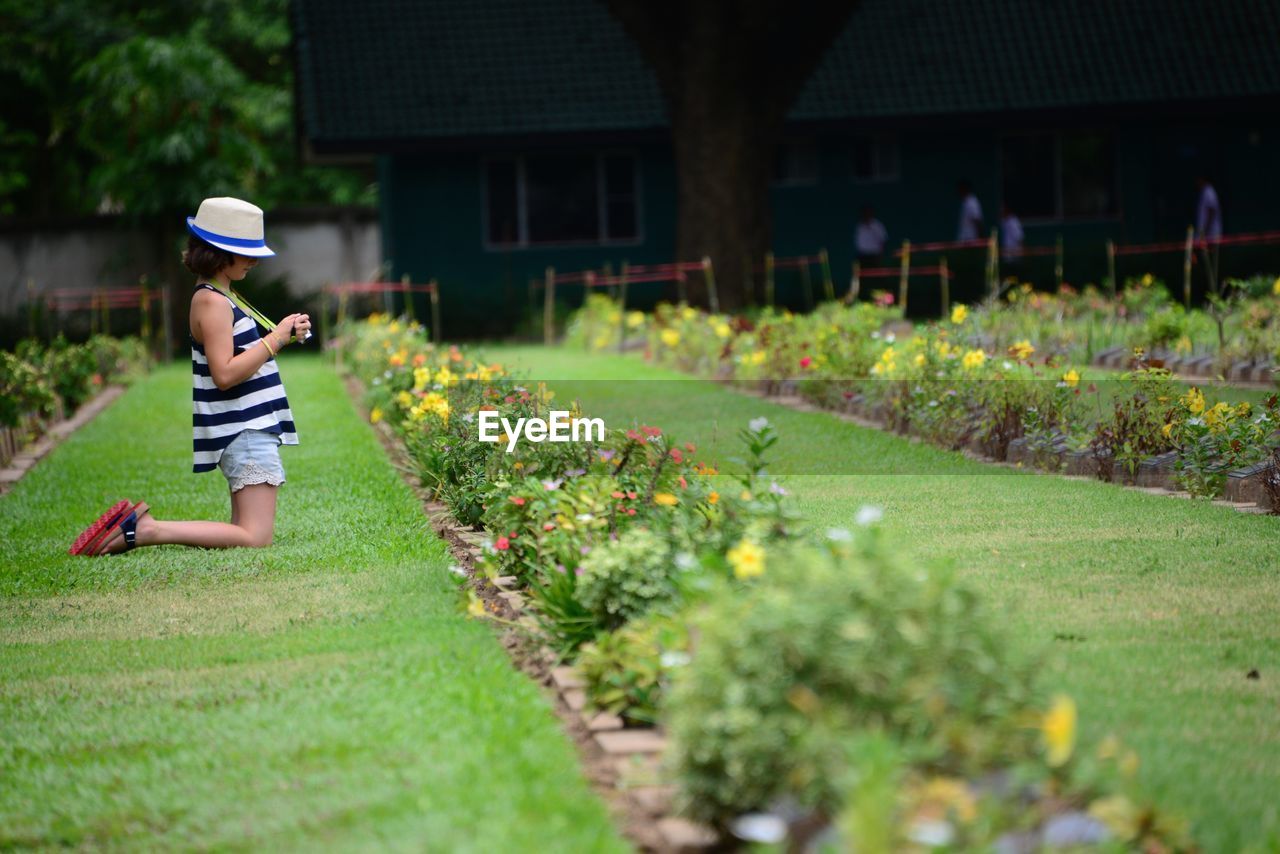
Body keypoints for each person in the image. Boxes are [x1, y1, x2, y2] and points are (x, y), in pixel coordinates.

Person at [69, 197, 312, 555]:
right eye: (243, 251)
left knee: (244, 532)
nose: (253, 260)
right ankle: (148, 529)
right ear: (218, 252)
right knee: (255, 536)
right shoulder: (212, 301)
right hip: (245, 429)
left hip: (247, 428)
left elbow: (246, 354)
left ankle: (144, 525)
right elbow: (225, 374)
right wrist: (275, 339)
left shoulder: (224, 295)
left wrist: (283, 334)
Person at [1195, 175, 1222, 241]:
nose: (1196, 183)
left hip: (1210, 233)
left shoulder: (1209, 191)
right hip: (1205, 232)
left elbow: (1212, 210)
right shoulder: (1204, 191)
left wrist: (1206, 230)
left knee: (1209, 250)